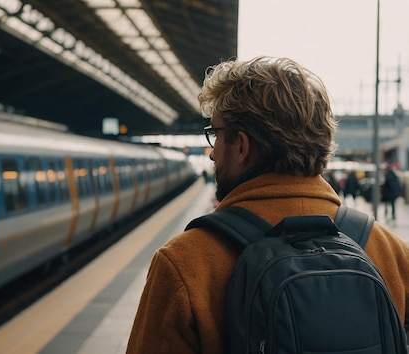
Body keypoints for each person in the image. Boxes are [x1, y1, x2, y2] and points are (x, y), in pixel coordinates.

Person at [126, 57, 409, 354]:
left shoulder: (184, 265)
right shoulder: (391, 252)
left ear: (242, 146)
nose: (212, 154)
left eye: (216, 134)